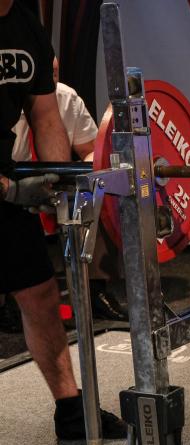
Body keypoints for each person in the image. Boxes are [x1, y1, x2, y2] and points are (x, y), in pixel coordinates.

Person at [0, 0, 127, 439]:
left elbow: (45, 114)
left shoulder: (25, 27)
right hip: (4, 185)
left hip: (4, 178)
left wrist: (57, 186)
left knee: (39, 292)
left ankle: (72, 412)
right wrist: (11, 190)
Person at [10, 56, 127, 321]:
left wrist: (88, 179)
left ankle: (94, 290)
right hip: (15, 184)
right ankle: (8, 302)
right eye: (44, 74)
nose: (51, 80)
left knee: (99, 185)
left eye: (54, 74)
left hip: (55, 180)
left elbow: (91, 152)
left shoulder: (67, 97)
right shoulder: (8, 101)